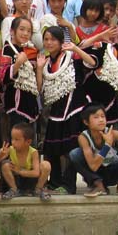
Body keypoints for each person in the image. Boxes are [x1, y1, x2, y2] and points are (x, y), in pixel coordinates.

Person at [37, 26, 97, 193]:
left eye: (53, 39)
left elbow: (92, 63)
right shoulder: (46, 62)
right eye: (46, 39)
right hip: (56, 110)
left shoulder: (71, 56)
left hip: (74, 108)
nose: (49, 43)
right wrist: (39, 69)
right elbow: (40, 88)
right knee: (52, 149)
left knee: (71, 148)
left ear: (61, 42)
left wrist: (76, 48)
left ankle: (69, 185)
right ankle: (54, 182)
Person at [0, 16, 41, 143]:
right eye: (22, 29)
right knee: (18, 142)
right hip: (15, 104)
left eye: (29, 31)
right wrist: (18, 63)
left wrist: (39, 68)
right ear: (12, 31)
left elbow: (36, 87)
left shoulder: (26, 51)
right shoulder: (6, 50)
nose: (25, 33)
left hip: (29, 104)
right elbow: (3, 78)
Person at [0, 121, 48, 200]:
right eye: (12, 139)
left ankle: (38, 189)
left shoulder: (33, 152)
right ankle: (14, 190)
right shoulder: (10, 150)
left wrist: (20, 171)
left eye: (16, 139)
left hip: (30, 181)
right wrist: (0, 156)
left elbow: (36, 173)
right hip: (16, 180)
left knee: (46, 165)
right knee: (5, 165)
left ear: (28, 142)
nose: (13, 142)